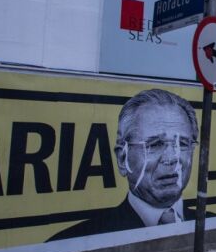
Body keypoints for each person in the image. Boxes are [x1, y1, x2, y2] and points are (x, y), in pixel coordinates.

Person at [49, 89, 200, 241]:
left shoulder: (213, 224)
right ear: (123, 159)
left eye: (182, 144)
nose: (172, 158)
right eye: (155, 145)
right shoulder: (72, 242)